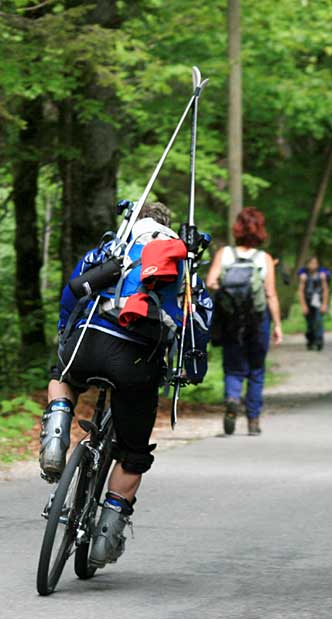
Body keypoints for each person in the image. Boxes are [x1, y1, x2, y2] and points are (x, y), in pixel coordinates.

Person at [39, 202, 212, 568]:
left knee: (61, 376)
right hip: (135, 361)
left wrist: (62, 334)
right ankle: (105, 539)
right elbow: (197, 320)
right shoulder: (182, 262)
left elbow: (71, 295)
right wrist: (192, 369)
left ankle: (56, 436)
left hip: (86, 342)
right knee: (133, 452)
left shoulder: (111, 248)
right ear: (168, 228)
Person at [206, 207, 283, 436]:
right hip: (258, 320)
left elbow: (211, 282)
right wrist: (277, 324)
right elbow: (270, 293)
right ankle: (253, 420)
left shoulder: (224, 253)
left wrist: (229, 294)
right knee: (257, 370)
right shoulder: (264, 258)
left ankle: (232, 399)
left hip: (230, 320)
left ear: (237, 228)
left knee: (233, 367)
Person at [298, 256, 329, 350]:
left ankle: (319, 341)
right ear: (307, 265)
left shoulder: (322, 275)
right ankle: (310, 340)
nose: (313, 265)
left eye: (315, 263)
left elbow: (325, 290)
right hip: (308, 301)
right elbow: (300, 291)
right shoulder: (304, 276)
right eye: (311, 263)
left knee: (319, 321)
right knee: (310, 324)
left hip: (318, 301)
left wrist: (324, 304)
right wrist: (303, 305)